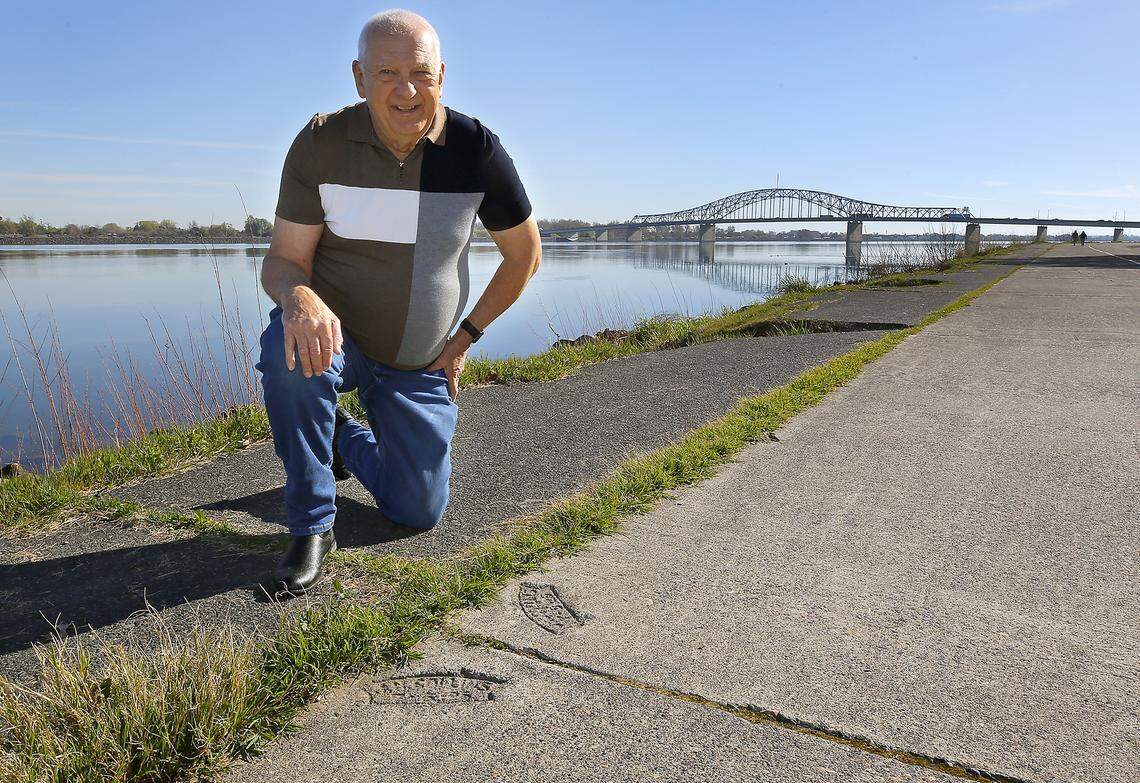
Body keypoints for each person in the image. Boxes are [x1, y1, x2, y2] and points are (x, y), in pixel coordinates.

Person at [256, 9, 541, 593]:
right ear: (359, 78)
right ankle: (312, 523)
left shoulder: (474, 148)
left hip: (420, 360)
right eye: (388, 71)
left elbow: (524, 256)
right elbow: (283, 260)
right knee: (288, 356)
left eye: (421, 72)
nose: (406, 89)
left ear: (442, 75)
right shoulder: (321, 143)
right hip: (338, 343)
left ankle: (339, 437)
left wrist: (466, 337)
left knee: (417, 511)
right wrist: (298, 295)